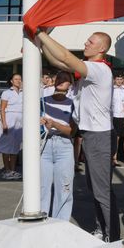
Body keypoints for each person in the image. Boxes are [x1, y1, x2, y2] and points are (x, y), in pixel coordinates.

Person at [36, 30, 120, 242]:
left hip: (100, 135)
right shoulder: (89, 68)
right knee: (95, 188)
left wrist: (40, 33)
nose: (86, 43)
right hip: (91, 135)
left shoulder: (99, 69)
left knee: (101, 191)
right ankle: (103, 230)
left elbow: (65, 56)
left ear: (102, 48)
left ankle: (112, 237)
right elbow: (56, 60)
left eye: (91, 41)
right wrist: (40, 39)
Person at [40, 71, 75, 220]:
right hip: (44, 144)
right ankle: (40, 220)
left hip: (64, 145)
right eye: (59, 78)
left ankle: (61, 223)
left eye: (65, 79)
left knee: (64, 188)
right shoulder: (42, 101)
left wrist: (54, 124)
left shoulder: (72, 103)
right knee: (42, 187)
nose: (61, 81)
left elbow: (72, 131)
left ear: (70, 85)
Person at [0, 73, 23, 180]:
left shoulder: (24, 93)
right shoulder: (6, 93)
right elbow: (2, 108)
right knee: (6, 146)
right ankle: (7, 170)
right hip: (9, 119)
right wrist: (4, 123)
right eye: (16, 79)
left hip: (20, 121)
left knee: (15, 147)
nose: (18, 81)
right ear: (12, 81)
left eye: (20, 79)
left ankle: (13, 170)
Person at [112, 71, 124, 166]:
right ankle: (112, 158)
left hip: (121, 116)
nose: (119, 81)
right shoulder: (111, 90)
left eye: (120, 79)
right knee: (114, 138)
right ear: (114, 80)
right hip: (113, 116)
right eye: (117, 79)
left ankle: (115, 157)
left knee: (119, 138)